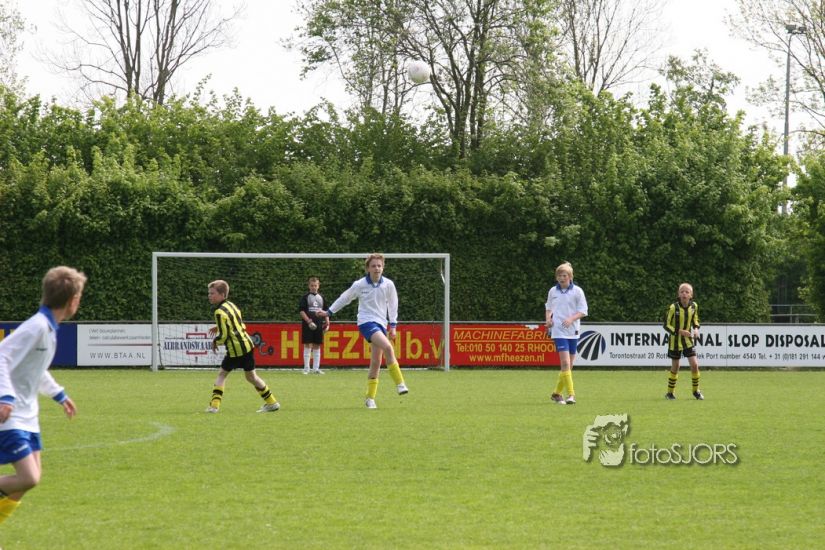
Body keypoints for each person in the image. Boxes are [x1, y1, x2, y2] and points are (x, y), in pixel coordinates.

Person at [0, 266, 84, 525]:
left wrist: (59, 394)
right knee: (29, 478)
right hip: (12, 416)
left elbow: (36, 369)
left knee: (26, 483)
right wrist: (5, 397)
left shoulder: (48, 328)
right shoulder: (36, 327)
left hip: (29, 416)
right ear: (72, 301)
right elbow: (1, 356)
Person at [316, 253, 408, 409]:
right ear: (368, 268)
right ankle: (400, 383)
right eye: (373, 266)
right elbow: (345, 298)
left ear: (383, 267)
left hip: (381, 323)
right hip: (366, 322)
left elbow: (393, 305)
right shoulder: (360, 284)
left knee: (376, 362)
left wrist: (393, 326)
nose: (377, 268)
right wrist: (328, 312)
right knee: (388, 347)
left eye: (379, 265)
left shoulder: (388, 285)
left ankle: (370, 399)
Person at [205, 280, 280, 413]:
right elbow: (236, 321)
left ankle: (214, 406)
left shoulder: (219, 312)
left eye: (212, 293)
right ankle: (272, 402)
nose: (209, 296)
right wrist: (218, 326)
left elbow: (224, 335)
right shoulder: (231, 305)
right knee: (251, 377)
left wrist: (216, 341)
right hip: (247, 345)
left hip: (236, 349)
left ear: (222, 295)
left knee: (222, 374)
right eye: (209, 293)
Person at [544, 261, 588, 405]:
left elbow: (583, 311)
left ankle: (556, 394)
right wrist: (548, 319)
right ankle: (571, 395)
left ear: (570, 277)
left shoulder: (578, 291)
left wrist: (571, 319)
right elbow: (549, 308)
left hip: (573, 331)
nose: (561, 278)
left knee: (569, 366)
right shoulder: (553, 291)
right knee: (565, 362)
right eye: (559, 276)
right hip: (558, 330)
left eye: (564, 275)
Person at [663, 282, 703, 400]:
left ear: (691, 295)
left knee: (694, 364)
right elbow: (666, 325)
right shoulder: (673, 307)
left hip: (687, 340)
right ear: (678, 294)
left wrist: (696, 329)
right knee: (676, 366)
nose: (684, 294)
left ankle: (696, 391)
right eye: (682, 292)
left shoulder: (694, 306)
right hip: (675, 341)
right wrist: (680, 331)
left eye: (687, 292)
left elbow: (695, 320)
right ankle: (670, 393)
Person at [299, 276, 329, 374]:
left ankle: (316, 369)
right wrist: (308, 321)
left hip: (319, 324)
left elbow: (326, 311)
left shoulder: (322, 297)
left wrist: (327, 322)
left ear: (318, 286)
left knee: (317, 345)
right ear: (309, 286)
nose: (314, 287)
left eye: (315, 285)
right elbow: (301, 311)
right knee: (307, 344)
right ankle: (306, 369)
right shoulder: (305, 297)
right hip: (308, 324)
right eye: (312, 285)